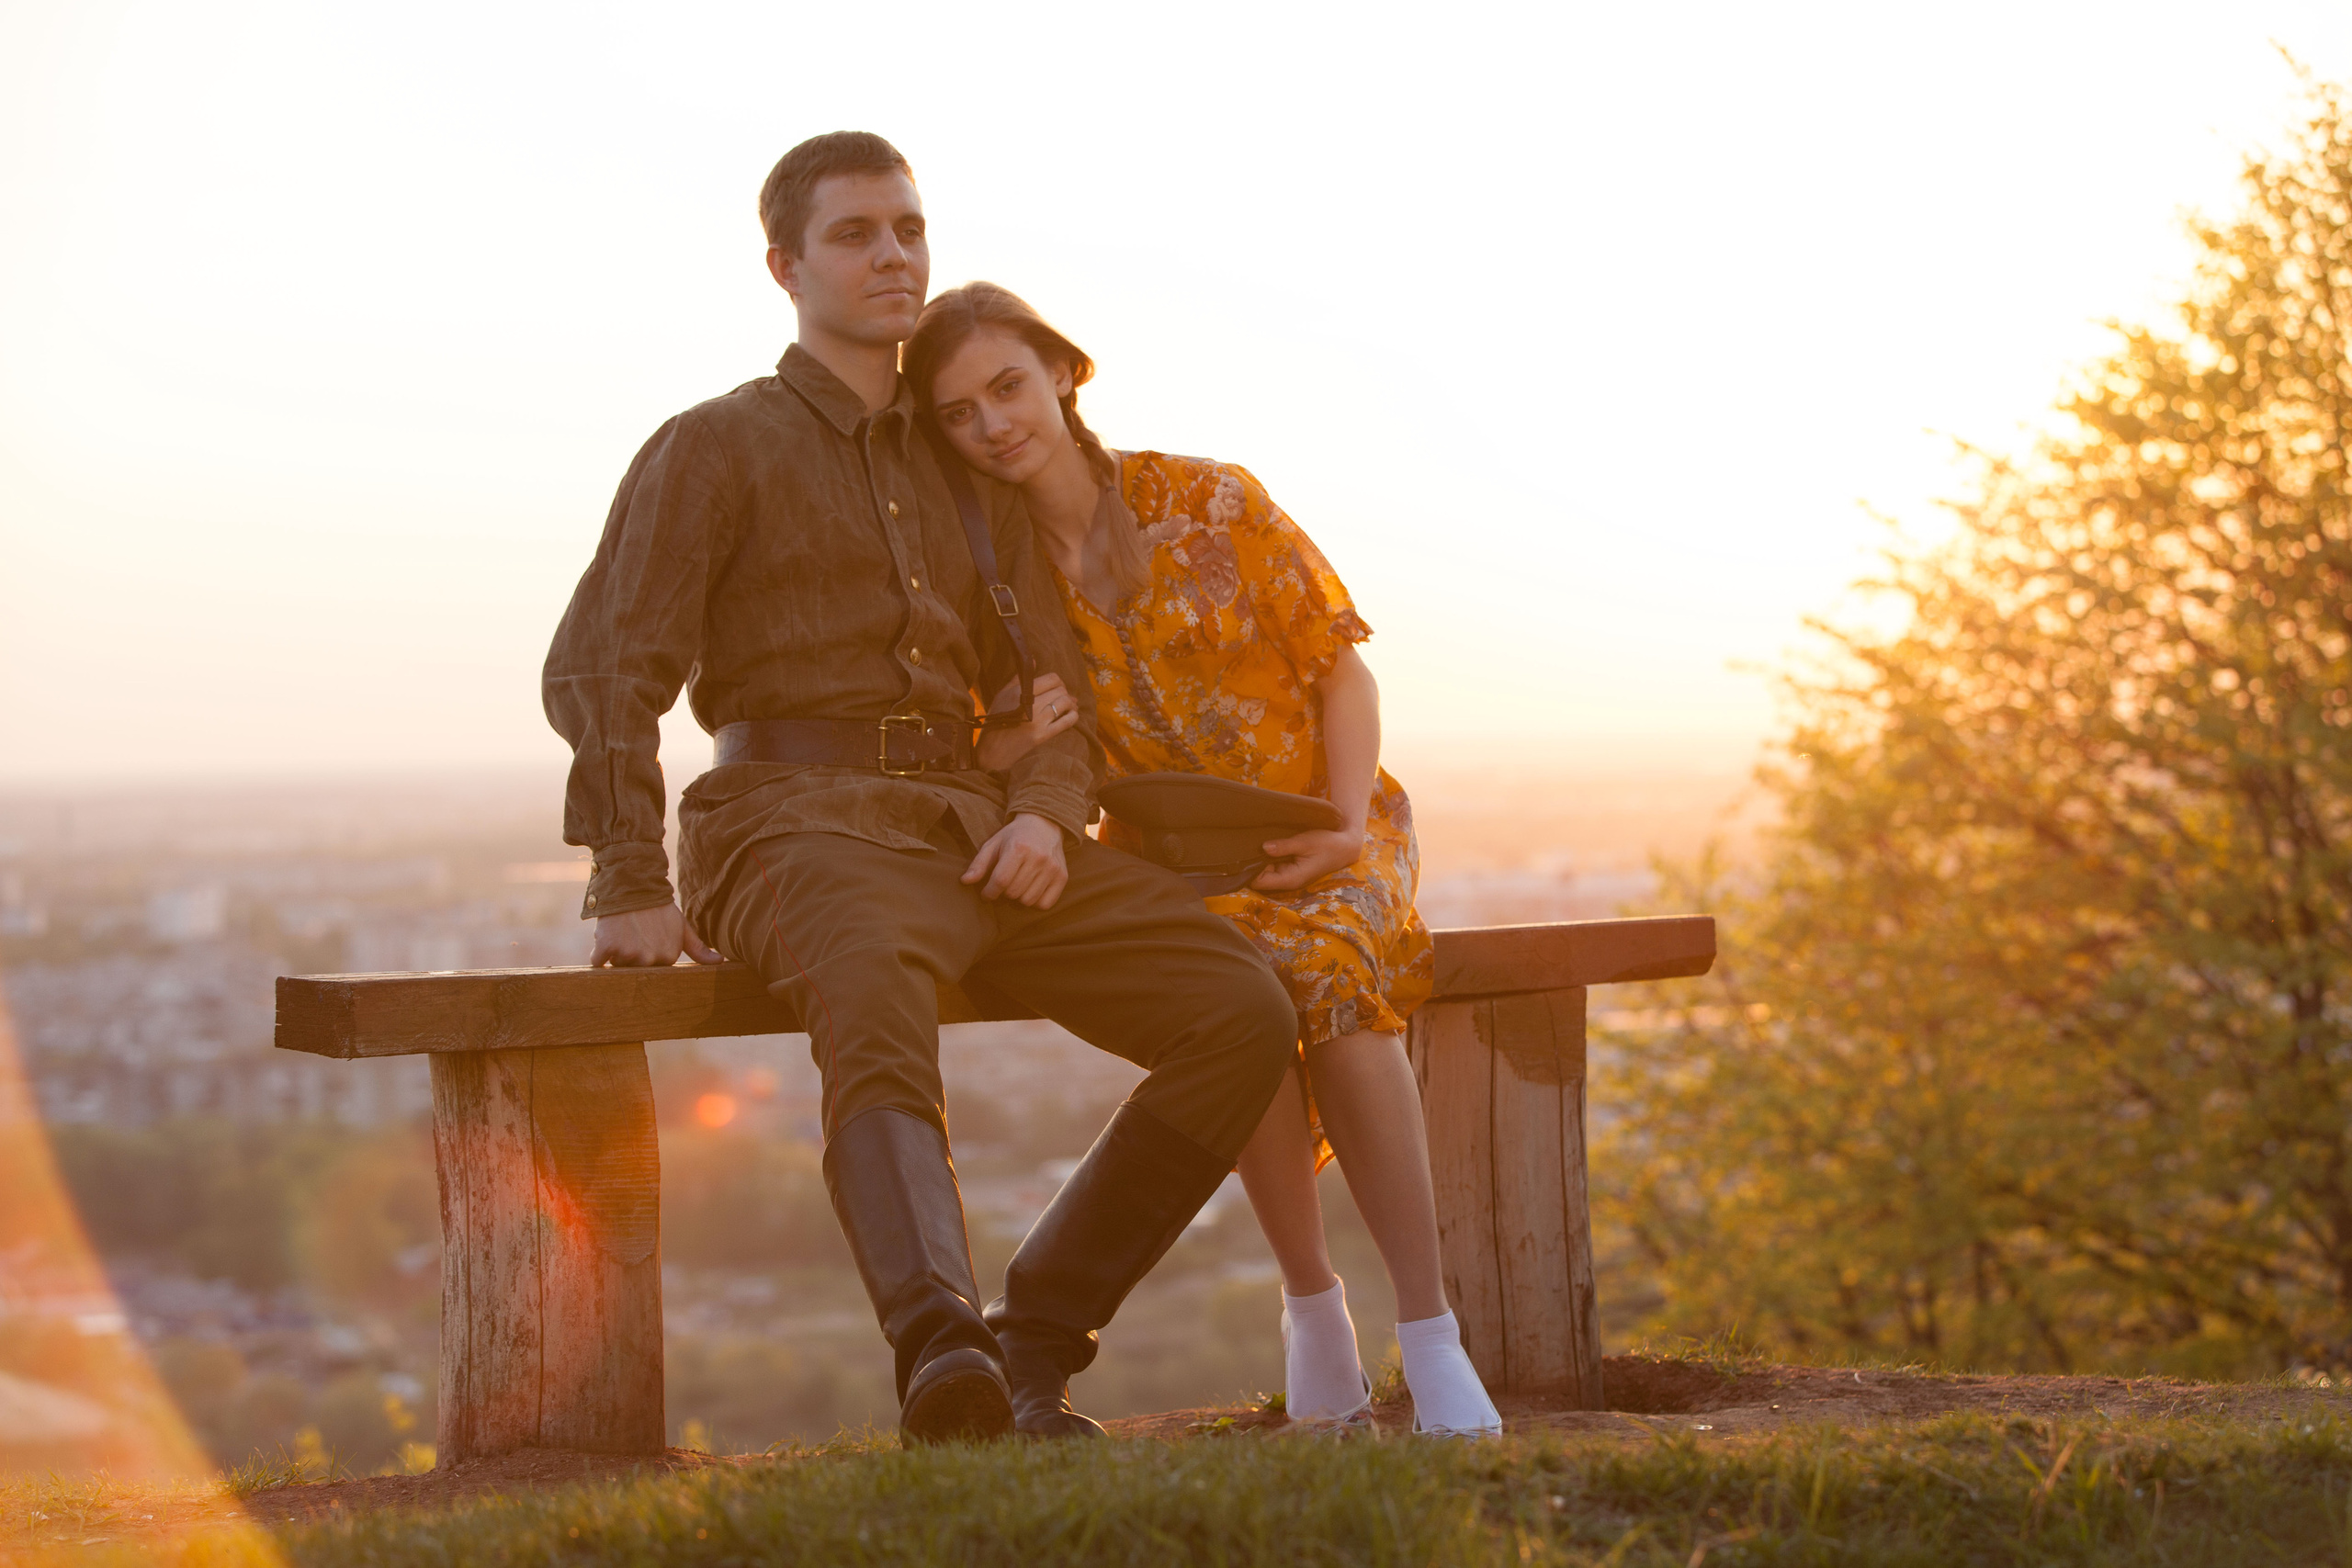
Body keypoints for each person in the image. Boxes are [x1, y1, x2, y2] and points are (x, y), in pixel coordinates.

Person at [542, 134, 1298, 1446]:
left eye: (909, 227)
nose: (892, 254)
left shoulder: (969, 470)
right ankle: (940, 1350)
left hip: (975, 830)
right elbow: (606, 666)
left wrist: (1045, 813)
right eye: (855, 234)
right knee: (874, 991)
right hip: (788, 825)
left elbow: (1050, 694)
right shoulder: (715, 446)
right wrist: (628, 880)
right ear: (785, 265)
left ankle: (1034, 1345)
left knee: (1238, 1001)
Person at [904, 283, 1505, 1437]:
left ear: (1064, 375)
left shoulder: (1210, 498)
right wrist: (1007, 742)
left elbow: (1341, 667)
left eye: (1007, 387)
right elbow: (995, 740)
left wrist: (1336, 820)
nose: (993, 425)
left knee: (1327, 978)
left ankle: (1428, 1334)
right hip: (1172, 863)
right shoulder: (1000, 582)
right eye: (959, 413)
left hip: (1327, 823)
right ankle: (1313, 1308)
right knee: (1237, 1006)